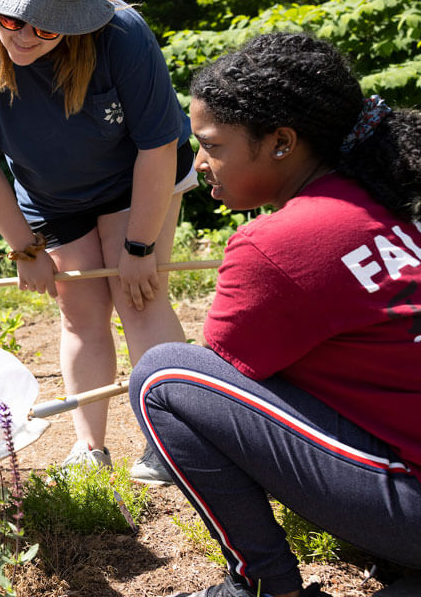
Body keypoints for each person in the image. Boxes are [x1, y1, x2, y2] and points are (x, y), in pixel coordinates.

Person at [129, 32, 421, 597]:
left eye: (211, 145)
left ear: (282, 142)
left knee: (164, 378)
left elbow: (224, 390)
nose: (201, 164)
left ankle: (262, 585)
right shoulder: (389, 202)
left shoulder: (275, 242)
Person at [0, 0, 193, 483]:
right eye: (12, 20)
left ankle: (176, 441)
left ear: (75, 22)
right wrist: (24, 247)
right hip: (53, 197)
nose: (25, 36)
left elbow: (158, 147)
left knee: (139, 295)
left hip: (138, 179)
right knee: (80, 313)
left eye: (45, 26)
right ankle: (89, 446)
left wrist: (139, 246)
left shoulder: (122, 36)